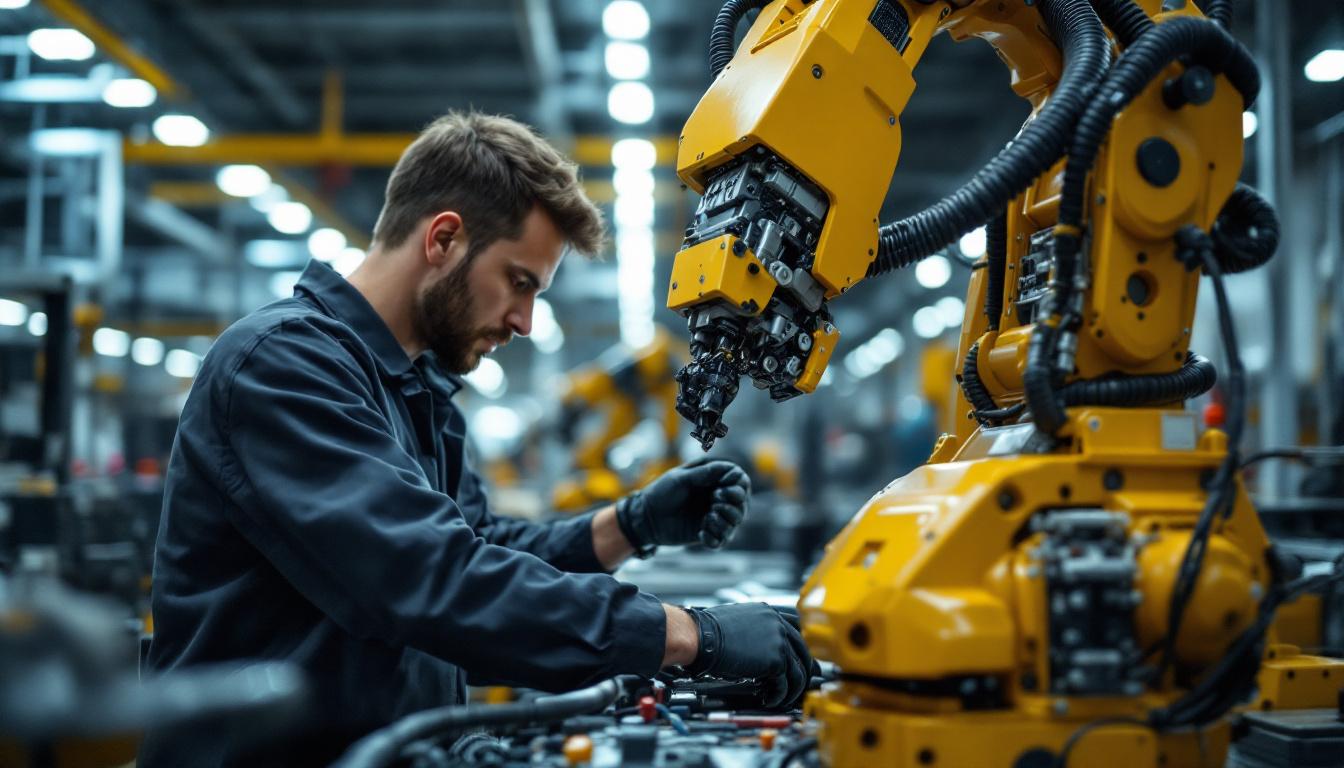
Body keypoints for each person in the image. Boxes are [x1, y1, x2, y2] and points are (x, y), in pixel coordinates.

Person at [139, 111, 813, 768]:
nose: (524, 321)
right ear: (443, 239)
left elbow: (479, 546)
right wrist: (690, 634)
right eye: (519, 282)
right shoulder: (283, 364)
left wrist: (628, 526)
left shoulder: (420, 394)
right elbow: (429, 578)